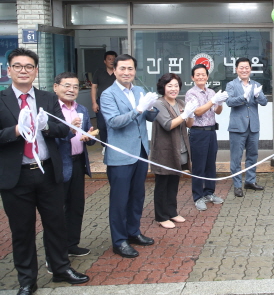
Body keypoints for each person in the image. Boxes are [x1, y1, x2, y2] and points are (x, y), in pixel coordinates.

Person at [0, 48, 89, 295]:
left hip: (48, 172)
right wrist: (16, 130)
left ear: (36, 71)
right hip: (16, 176)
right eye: (18, 66)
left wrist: (45, 126)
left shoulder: (48, 98)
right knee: (22, 231)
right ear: (9, 70)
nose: (23, 71)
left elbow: (63, 129)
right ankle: (27, 280)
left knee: (56, 224)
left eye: (29, 66)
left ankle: (61, 269)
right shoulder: (1, 99)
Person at [100, 54, 159, 258]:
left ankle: (133, 232)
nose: (127, 72)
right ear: (115, 70)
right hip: (120, 155)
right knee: (119, 200)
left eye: (130, 69)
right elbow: (114, 122)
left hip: (140, 152)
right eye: (122, 68)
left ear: (135, 71)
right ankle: (119, 241)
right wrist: (138, 109)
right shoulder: (108, 94)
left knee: (137, 196)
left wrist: (151, 107)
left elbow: (149, 117)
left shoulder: (139, 90)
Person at [53, 72, 97, 258]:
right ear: (56, 87)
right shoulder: (51, 110)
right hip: (59, 165)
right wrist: (69, 130)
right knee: (56, 211)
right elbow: (49, 138)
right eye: (67, 86)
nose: (71, 90)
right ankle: (56, 253)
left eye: (75, 87)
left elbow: (88, 138)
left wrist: (90, 136)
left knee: (76, 206)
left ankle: (72, 244)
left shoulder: (82, 110)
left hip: (78, 162)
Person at [150, 73, 195, 229]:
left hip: (179, 149)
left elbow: (189, 124)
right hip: (164, 150)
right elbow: (168, 124)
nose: (173, 89)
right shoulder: (159, 103)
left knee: (174, 182)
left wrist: (190, 114)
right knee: (162, 184)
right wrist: (184, 114)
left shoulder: (180, 102)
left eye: (176, 85)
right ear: (163, 87)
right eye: (170, 86)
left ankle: (172, 212)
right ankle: (161, 216)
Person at [185, 64, 228, 210]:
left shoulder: (211, 92)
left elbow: (218, 111)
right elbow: (197, 112)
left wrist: (219, 103)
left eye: (203, 74)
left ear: (207, 76)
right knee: (199, 166)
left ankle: (209, 192)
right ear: (193, 77)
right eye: (197, 75)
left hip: (211, 132)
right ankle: (198, 197)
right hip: (198, 133)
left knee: (210, 164)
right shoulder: (191, 93)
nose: (201, 77)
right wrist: (213, 101)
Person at [226, 57, 268, 197]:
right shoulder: (231, 85)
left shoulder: (256, 84)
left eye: (247, 67)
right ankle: (237, 185)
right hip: (237, 127)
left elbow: (264, 102)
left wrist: (257, 95)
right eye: (241, 67)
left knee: (252, 155)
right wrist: (243, 97)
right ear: (236, 69)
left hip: (253, 126)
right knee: (236, 158)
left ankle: (250, 181)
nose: (244, 70)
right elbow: (229, 102)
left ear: (250, 69)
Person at [91, 51, 117, 153]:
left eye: (114, 59)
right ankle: (105, 145)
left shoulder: (118, 72)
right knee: (102, 125)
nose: (112, 61)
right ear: (105, 61)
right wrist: (94, 103)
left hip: (116, 103)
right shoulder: (99, 72)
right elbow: (94, 87)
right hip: (101, 102)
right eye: (109, 59)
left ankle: (114, 145)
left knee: (115, 124)